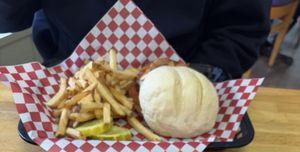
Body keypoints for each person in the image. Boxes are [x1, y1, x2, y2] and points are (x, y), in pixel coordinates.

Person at [0, 1, 271, 78]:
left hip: (184, 76)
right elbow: (8, 17)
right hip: (67, 82)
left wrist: (197, 79)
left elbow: (241, 29)